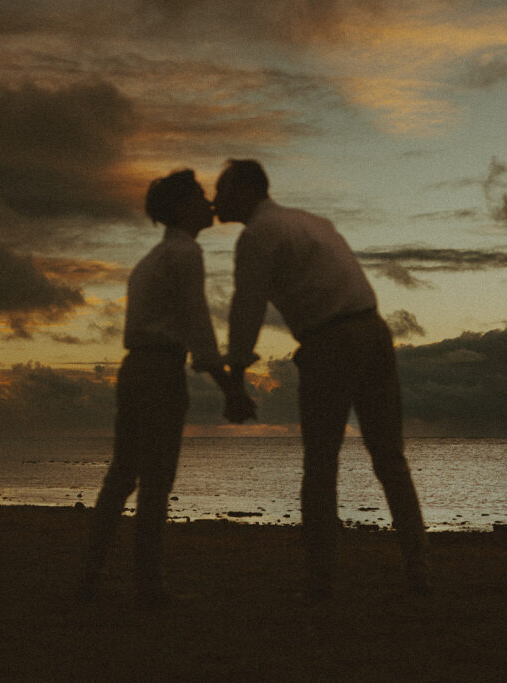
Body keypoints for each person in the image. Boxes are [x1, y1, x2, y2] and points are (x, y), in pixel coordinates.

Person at [214, 159, 429, 598]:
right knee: (390, 459)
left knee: (321, 464)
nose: (215, 199)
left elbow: (247, 308)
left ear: (246, 190)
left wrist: (235, 377)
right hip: (373, 330)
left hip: (330, 339)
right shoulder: (312, 222)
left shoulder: (257, 235)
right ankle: (419, 570)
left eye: (221, 189)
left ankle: (321, 580)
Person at [79, 169, 250, 608]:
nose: (210, 203)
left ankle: (89, 575)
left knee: (121, 476)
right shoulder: (185, 254)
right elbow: (198, 326)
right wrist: (229, 386)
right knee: (155, 481)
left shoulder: (147, 263)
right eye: (199, 196)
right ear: (180, 208)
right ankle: (149, 587)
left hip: (135, 367)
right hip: (159, 369)